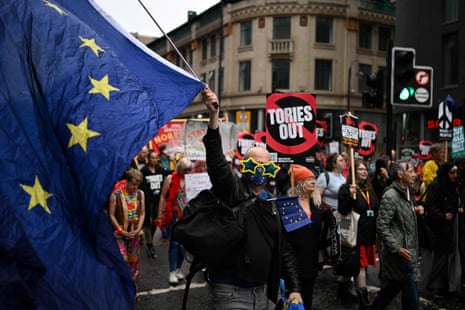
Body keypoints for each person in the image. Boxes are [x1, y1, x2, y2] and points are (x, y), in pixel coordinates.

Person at [202, 87, 302, 309]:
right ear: (244, 165)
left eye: (264, 164)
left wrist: (294, 288)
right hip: (231, 291)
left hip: (264, 291)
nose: (260, 169)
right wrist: (213, 116)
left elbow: (283, 248)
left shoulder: (273, 202)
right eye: (254, 163)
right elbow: (217, 162)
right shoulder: (231, 191)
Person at [370, 160, 423, 310]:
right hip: (399, 254)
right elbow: (382, 226)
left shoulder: (408, 193)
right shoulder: (391, 196)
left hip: (408, 252)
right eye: (411, 170)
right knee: (411, 300)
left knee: (391, 288)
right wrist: (396, 248)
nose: (414, 174)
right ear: (400, 174)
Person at [338, 160, 379, 309]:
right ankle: (364, 301)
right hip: (356, 234)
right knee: (360, 267)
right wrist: (350, 196)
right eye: (360, 169)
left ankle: (341, 290)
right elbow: (342, 210)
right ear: (354, 172)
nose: (363, 172)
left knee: (351, 267)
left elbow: (374, 207)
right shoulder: (346, 188)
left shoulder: (369, 188)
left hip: (369, 233)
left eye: (365, 169)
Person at [423, 161, 463, 297]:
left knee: (448, 257)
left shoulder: (454, 186)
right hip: (439, 228)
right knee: (441, 258)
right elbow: (430, 205)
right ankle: (431, 285)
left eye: (456, 172)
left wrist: (456, 210)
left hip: (451, 227)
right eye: (452, 172)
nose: (455, 175)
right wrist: (442, 215)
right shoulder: (436, 186)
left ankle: (444, 286)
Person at [285, 164, 323, 309]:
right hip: (292, 260)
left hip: (311, 260)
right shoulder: (289, 205)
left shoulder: (316, 204)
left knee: (307, 299)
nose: (314, 182)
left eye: (314, 179)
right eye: (309, 179)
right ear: (300, 183)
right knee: (291, 300)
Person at [157, 156, 193, 285]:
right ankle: (171, 271)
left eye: (190, 169)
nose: (188, 172)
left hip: (186, 217)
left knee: (183, 245)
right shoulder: (170, 179)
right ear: (179, 168)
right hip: (173, 215)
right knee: (174, 244)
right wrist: (159, 215)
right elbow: (162, 197)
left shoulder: (191, 180)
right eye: (185, 169)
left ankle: (178, 269)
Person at [108, 168, 145, 285]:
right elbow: (111, 214)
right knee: (123, 260)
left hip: (134, 234)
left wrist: (138, 229)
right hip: (120, 235)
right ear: (127, 181)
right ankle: (121, 288)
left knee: (134, 262)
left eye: (138, 185)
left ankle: (133, 289)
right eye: (133, 184)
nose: (135, 187)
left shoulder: (140, 194)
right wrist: (120, 230)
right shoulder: (116, 195)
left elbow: (143, 213)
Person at [139, 149, 167, 258]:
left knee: (155, 222)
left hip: (158, 201)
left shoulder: (160, 169)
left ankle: (150, 240)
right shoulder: (144, 171)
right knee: (147, 222)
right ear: (148, 159)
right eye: (152, 158)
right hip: (147, 201)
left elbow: (170, 172)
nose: (154, 160)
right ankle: (150, 245)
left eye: (156, 158)